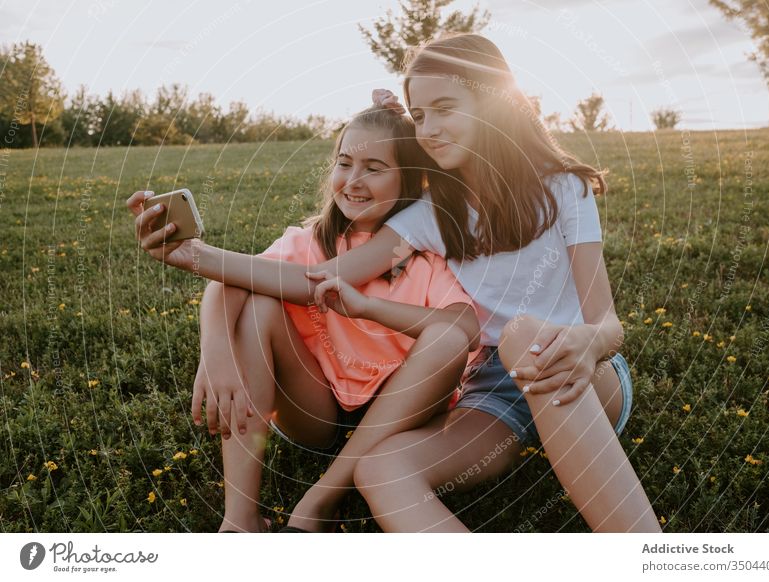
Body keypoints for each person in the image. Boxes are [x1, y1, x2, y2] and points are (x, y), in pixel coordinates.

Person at [129, 34, 659, 532]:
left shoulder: (563, 189)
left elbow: (606, 326)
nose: (428, 128)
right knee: (380, 467)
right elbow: (317, 279)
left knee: (524, 334)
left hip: (582, 370)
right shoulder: (433, 212)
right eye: (421, 114)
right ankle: (317, 499)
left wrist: (584, 345)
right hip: (491, 390)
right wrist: (193, 255)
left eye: (446, 109)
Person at [128, 105, 481, 533]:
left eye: (374, 168)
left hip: (400, 415)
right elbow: (229, 282)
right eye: (344, 163)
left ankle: (325, 497)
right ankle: (239, 520)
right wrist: (216, 353)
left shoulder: (423, 253)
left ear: (411, 179)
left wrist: (369, 307)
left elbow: (463, 327)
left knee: (444, 339)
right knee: (260, 302)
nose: (353, 181)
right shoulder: (312, 240)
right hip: (317, 407)